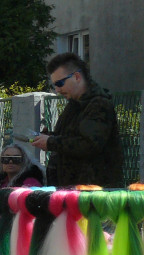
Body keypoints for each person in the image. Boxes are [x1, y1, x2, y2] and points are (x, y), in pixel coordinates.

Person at [32, 52, 122, 187]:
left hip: (93, 193)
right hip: (73, 190)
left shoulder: (98, 104)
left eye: (60, 83)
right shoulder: (74, 105)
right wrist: (49, 138)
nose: (57, 90)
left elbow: (89, 144)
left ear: (77, 77)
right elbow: (71, 138)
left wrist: (51, 142)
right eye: (54, 85)